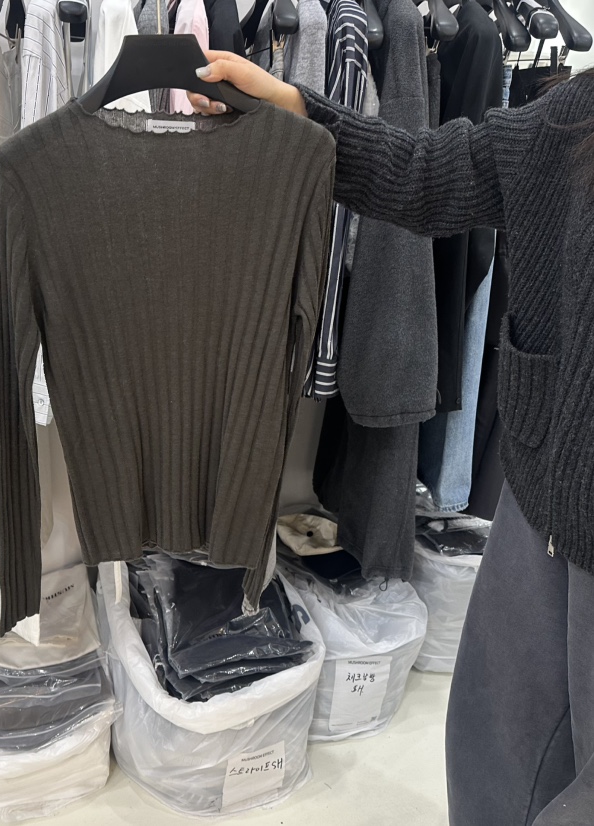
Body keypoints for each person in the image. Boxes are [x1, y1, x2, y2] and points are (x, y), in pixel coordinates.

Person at [189, 51, 594, 826]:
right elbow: (430, 173)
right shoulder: (576, 114)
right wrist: (299, 112)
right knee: (490, 753)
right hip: (542, 493)